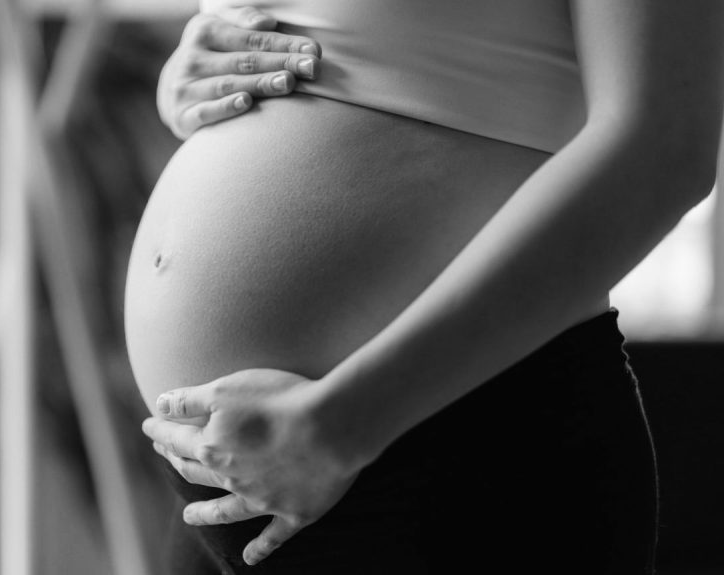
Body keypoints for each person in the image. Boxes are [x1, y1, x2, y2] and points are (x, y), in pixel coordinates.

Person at [126, 2, 724, 573]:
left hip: (449, 458)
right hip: (234, 477)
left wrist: (340, 427)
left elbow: (664, 143)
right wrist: (184, 75)